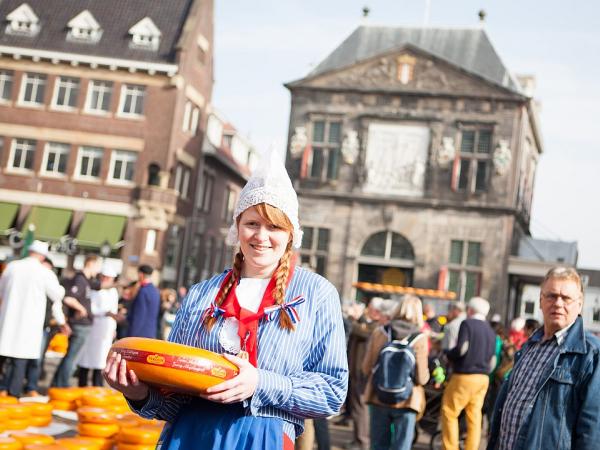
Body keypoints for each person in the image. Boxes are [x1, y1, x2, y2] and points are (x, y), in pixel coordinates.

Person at [103, 150, 348, 449]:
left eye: (274, 227)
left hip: (262, 437)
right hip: (190, 435)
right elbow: (172, 401)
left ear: (290, 234)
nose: (261, 236)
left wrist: (259, 383)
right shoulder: (200, 294)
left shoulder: (317, 294)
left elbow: (332, 392)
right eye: (252, 224)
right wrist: (138, 393)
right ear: (237, 227)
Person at [488, 267, 600, 450]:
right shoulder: (529, 347)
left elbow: (593, 432)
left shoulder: (592, 354)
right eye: (551, 296)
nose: (557, 303)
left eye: (566, 298)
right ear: (540, 301)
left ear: (579, 304)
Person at [362, 294, 429, 450]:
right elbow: (421, 377)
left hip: (379, 396)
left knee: (378, 445)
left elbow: (366, 367)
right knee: (402, 446)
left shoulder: (380, 332)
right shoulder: (419, 338)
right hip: (407, 399)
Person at [0, 241, 67, 396]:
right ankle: (13, 394)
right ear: (42, 256)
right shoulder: (44, 272)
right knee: (20, 360)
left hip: (7, 320)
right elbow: (57, 294)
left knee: (5, 357)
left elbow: (1, 291)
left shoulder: (12, 267)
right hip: (28, 324)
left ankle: (3, 388)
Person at [441, 297, 496, 450]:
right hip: (483, 377)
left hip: (464, 375)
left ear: (470, 310)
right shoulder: (490, 330)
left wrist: (448, 354)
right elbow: (493, 359)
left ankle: (450, 447)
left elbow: (462, 348)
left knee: (449, 411)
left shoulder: (468, 323)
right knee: (474, 415)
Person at [51, 254, 100, 387]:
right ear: (91, 264)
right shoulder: (80, 279)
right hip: (80, 324)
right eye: (98, 266)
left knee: (71, 357)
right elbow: (68, 298)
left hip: (83, 324)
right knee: (72, 359)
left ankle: (57, 384)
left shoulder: (86, 280)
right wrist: (81, 309)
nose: (98, 270)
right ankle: (61, 385)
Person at [77, 264, 119, 387]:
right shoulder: (95, 289)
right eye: (105, 277)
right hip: (93, 327)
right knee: (86, 358)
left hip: (106, 329)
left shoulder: (113, 291)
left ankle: (97, 386)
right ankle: (82, 385)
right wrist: (105, 313)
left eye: (109, 278)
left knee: (102, 360)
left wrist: (114, 328)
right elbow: (92, 309)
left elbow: (114, 310)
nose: (107, 280)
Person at [126, 265, 160, 338]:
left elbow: (139, 315)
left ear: (141, 274)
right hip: (150, 333)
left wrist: (131, 335)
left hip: (139, 334)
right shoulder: (155, 291)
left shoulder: (143, 291)